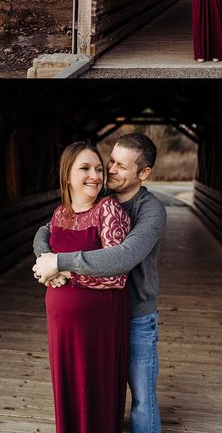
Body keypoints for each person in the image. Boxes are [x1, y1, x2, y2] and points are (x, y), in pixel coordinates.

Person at [33, 133, 167, 433]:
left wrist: (61, 263)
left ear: (143, 173)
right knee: (92, 384)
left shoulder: (151, 211)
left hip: (138, 313)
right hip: (98, 316)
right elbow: (48, 228)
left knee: (142, 397)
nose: (109, 170)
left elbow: (123, 257)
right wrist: (45, 258)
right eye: (111, 161)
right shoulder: (100, 191)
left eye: (121, 165)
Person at [36, 141, 131, 433]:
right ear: (67, 176)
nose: (95, 175)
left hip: (99, 323)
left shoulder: (107, 210)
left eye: (99, 169)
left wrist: (62, 269)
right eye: (85, 168)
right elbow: (47, 255)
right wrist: (50, 274)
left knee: (94, 384)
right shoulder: (58, 214)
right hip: (61, 325)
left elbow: (118, 274)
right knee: (67, 382)